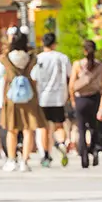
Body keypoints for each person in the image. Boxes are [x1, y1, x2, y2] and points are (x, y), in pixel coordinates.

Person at [0, 31, 46, 172]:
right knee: (28, 130)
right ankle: (24, 161)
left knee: (12, 130)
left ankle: (11, 159)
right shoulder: (32, 59)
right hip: (29, 96)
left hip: (11, 97)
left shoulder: (5, 58)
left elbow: (1, 76)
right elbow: (37, 76)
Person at [33, 32, 71, 167]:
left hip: (42, 97)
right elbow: (69, 76)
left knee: (43, 127)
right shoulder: (62, 58)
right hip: (59, 96)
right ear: (55, 44)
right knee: (59, 125)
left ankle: (46, 155)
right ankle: (61, 143)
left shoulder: (38, 59)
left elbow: (34, 77)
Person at [69, 40, 102, 169]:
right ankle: (94, 149)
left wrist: (73, 100)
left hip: (81, 99)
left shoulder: (77, 65)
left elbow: (71, 85)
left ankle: (84, 157)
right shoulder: (100, 66)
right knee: (94, 128)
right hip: (94, 98)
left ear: (84, 51)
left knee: (81, 129)